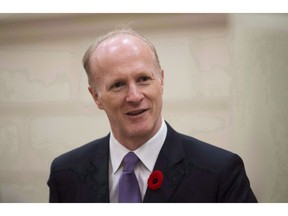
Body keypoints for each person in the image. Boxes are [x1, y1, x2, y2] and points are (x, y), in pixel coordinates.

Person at [47, 27, 257, 203]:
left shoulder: (220, 171)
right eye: (118, 84)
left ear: (162, 81)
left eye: (143, 79)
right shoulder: (66, 173)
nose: (134, 96)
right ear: (96, 97)